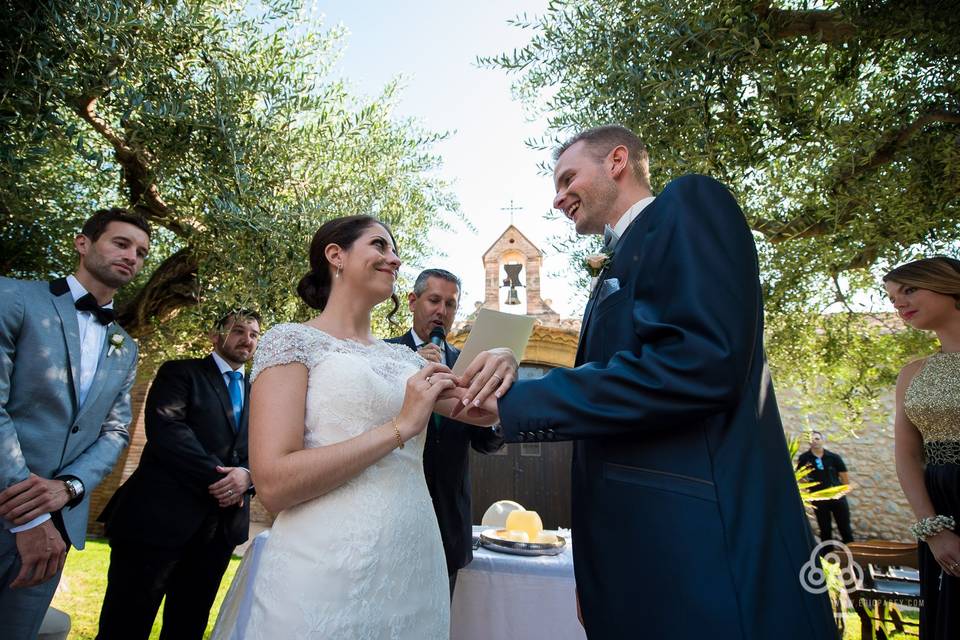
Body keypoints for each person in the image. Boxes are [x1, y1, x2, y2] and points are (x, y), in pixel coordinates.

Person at [459, 125, 837, 638]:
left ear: (617, 160)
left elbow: (699, 361)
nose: (557, 197)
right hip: (637, 559)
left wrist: (518, 403)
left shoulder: (687, 205)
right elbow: (622, 387)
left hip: (700, 553)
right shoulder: (621, 257)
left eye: (569, 177)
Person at [212, 215, 501, 639]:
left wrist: (504, 359)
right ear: (336, 256)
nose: (394, 259)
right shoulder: (291, 342)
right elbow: (273, 484)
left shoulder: (408, 361)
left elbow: (487, 410)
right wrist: (400, 427)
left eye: (395, 251)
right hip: (324, 567)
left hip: (414, 566)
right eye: (380, 246)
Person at [0, 208, 150, 640]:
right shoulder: (14, 299)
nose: (132, 257)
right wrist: (29, 516)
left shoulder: (126, 345)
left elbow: (117, 431)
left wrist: (68, 487)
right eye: (120, 243)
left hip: (59, 526)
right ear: (82, 243)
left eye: (141, 253)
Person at [96, 310, 262, 640]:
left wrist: (247, 475)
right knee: (125, 624)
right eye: (239, 330)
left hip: (218, 532)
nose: (247, 339)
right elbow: (168, 431)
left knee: (187, 626)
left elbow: (265, 447)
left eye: (255, 334)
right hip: (156, 522)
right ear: (215, 337)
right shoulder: (180, 373)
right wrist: (221, 479)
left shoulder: (261, 393)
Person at [387, 268, 503, 597]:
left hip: (449, 525)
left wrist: (499, 414)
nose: (442, 311)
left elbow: (485, 443)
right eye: (434, 300)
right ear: (413, 301)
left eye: (451, 304)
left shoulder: (470, 368)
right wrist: (405, 369)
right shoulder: (383, 355)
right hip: (394, 519)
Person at [884, 256, 960, 640]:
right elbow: (907, 455)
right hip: (945, 510)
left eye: (909, 290)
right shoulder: (913, 373)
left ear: (948, 284)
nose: (899, 303)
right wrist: (934, 530)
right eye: (893, 298)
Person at [796, 431, 854, 544]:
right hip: (819, 499)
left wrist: (842, 493)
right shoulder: (804, 458)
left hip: (837, 498)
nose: (815, 441)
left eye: (817, 438)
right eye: (812, 439)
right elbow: (800, 477)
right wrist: (807, 492)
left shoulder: (834, 457)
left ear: (822, 440)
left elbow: (845, 478)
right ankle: (827, 556)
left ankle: (852, 555)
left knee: (845, 528)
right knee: (825, 529)